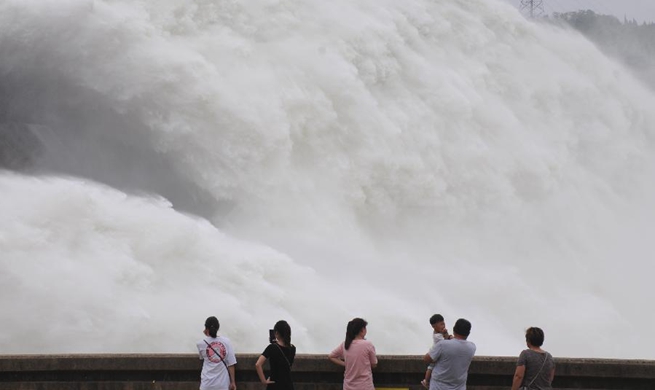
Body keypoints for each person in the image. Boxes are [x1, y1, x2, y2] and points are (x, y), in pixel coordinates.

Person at [423, 318, 476, 390]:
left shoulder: (442, 345)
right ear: (468, 333)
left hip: (438, 387)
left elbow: (427, 359)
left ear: (454, 330)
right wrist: (448, 336)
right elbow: (457, 344)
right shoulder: (472, 347)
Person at [328, 318, 378, 390]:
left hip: (348, 386)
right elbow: (374, 364)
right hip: (365, 386)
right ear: (362, 330)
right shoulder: (368, 344)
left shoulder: (345, 344)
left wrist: (346, 363)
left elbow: (331, 356)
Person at [197, 316, 237, 390]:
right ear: (218, 328)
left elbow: (202, 357)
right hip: (222, 384)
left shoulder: (200, 343)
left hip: (206, 384)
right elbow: (231, 364)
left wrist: (207, 335)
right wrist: (233, 382)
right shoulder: (227, 342)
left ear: (206, 328)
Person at [255, 320, 297, 390]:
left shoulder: (272, 347)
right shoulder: (293, 348)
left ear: (276, 333)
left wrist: (264, 381)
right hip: (288, 385)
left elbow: (258, 364)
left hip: (274, 385)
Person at [421, 314, 453, 389]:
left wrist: (447, 334)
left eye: (444, 323)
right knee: (431, 367)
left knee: (431, 367)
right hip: (435, 353)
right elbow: (445, 342)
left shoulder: (439, 332)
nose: (443, 326)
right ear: (434, 326)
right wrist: (447, 335)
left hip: (437, 352)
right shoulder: (437, 336)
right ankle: (426, 380)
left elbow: (447, 338)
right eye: (441, 324)